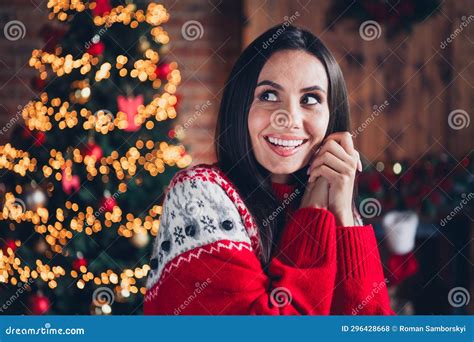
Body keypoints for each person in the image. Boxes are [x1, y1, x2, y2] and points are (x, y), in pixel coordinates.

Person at [144, 24, 394, 315]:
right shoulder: (197, 194)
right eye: (269, 95)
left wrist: (343, 218)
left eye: (310, 99)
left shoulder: (334, 205)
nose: (288, 119)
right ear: (241, 106)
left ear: (332, 117)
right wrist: (312, 214)